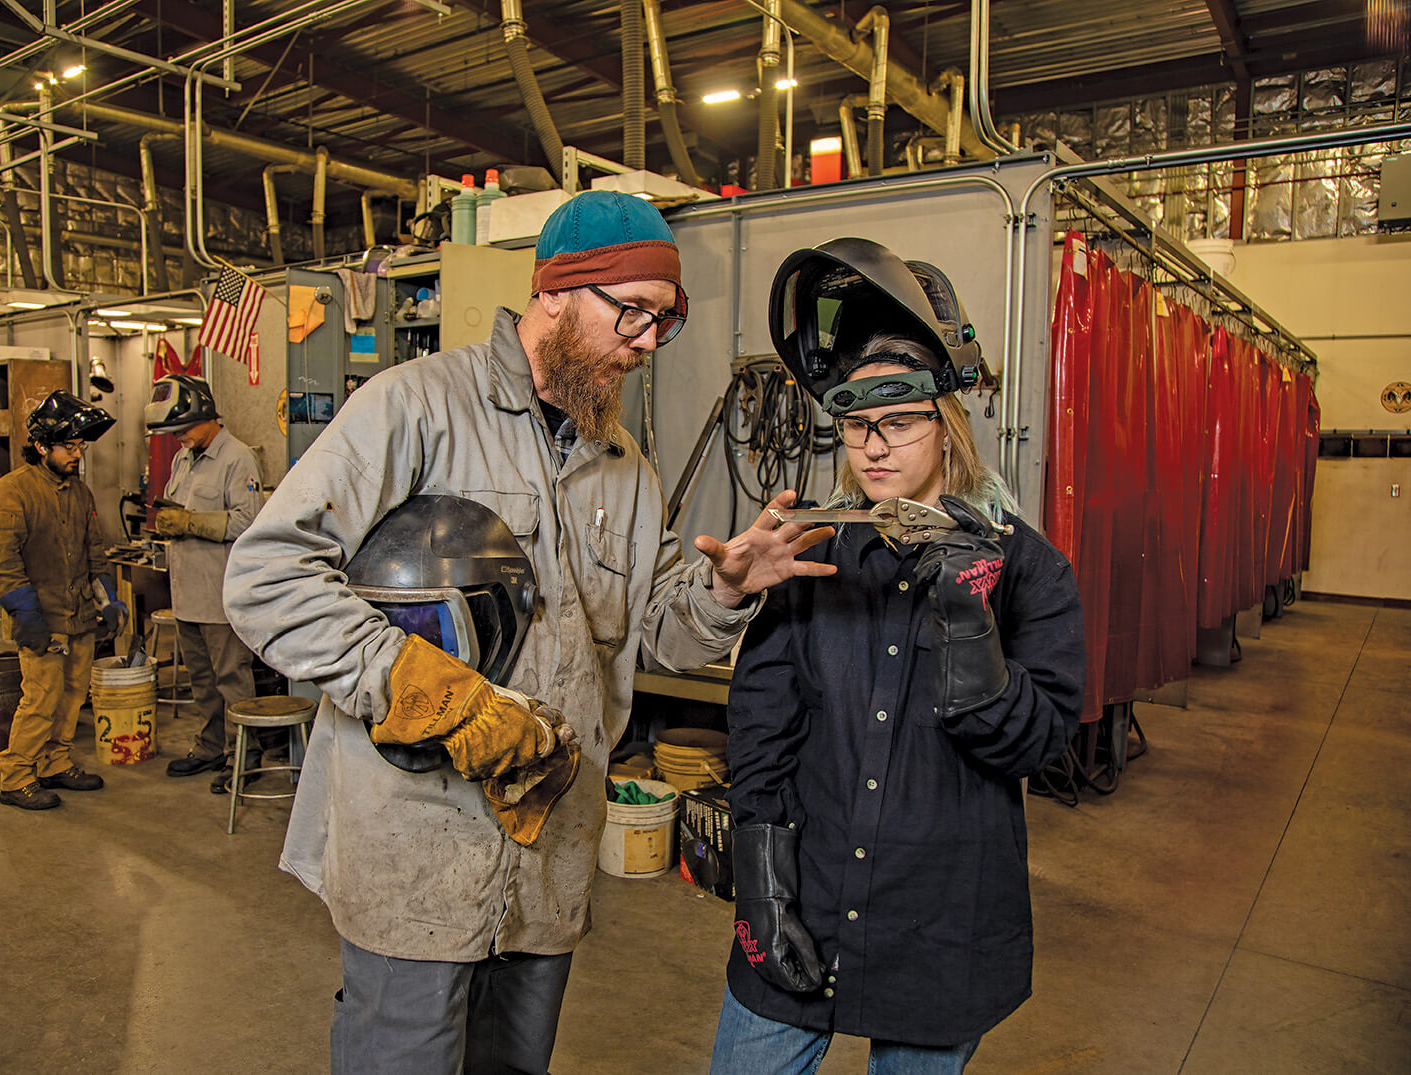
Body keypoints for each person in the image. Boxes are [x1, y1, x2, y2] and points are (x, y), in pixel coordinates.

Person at [222, 189, 836, 1075]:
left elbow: (652, 631)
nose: (648, 342)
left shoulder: (625, 467)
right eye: (632, 312)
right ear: (554, 291)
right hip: (416, 839)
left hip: (550, 840)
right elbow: (267, 576)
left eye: (665, 321)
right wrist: (419, 686)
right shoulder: (414, 408)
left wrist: (721, 588)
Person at [710, 239, 1086, 1074]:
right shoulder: (812, 559)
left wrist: (968, 625)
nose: (873, 446)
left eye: (898, 422)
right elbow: (760, 732)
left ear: (945, 421)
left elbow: (1037, 744)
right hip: (804, 896)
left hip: (940, 921)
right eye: (854, 425)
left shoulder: (1026, 568)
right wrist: (760, 889)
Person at [0, 390, 127, 811]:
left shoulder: (79, 493)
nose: (77, 454)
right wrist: (26, 614)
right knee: (41, 700)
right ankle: (16, 775)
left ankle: (55, 763)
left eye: (80, 446)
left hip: (79, 616)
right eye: (68, 446)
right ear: (42, 446)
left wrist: (108, 599)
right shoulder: (11, 493)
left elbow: (93, 552)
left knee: (72, 696)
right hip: (43, 619)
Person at [144, 374, 272, 794]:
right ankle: (212, 745)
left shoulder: (237, 459)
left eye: (184, 429)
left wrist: (190, 522)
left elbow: (247, 522)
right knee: (201, 679)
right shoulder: (185, 458)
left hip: (221, 595)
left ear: (205, 415)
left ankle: (244, 756)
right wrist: (170, 518)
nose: (179, 438)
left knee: (230, 679)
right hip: (188, 593)